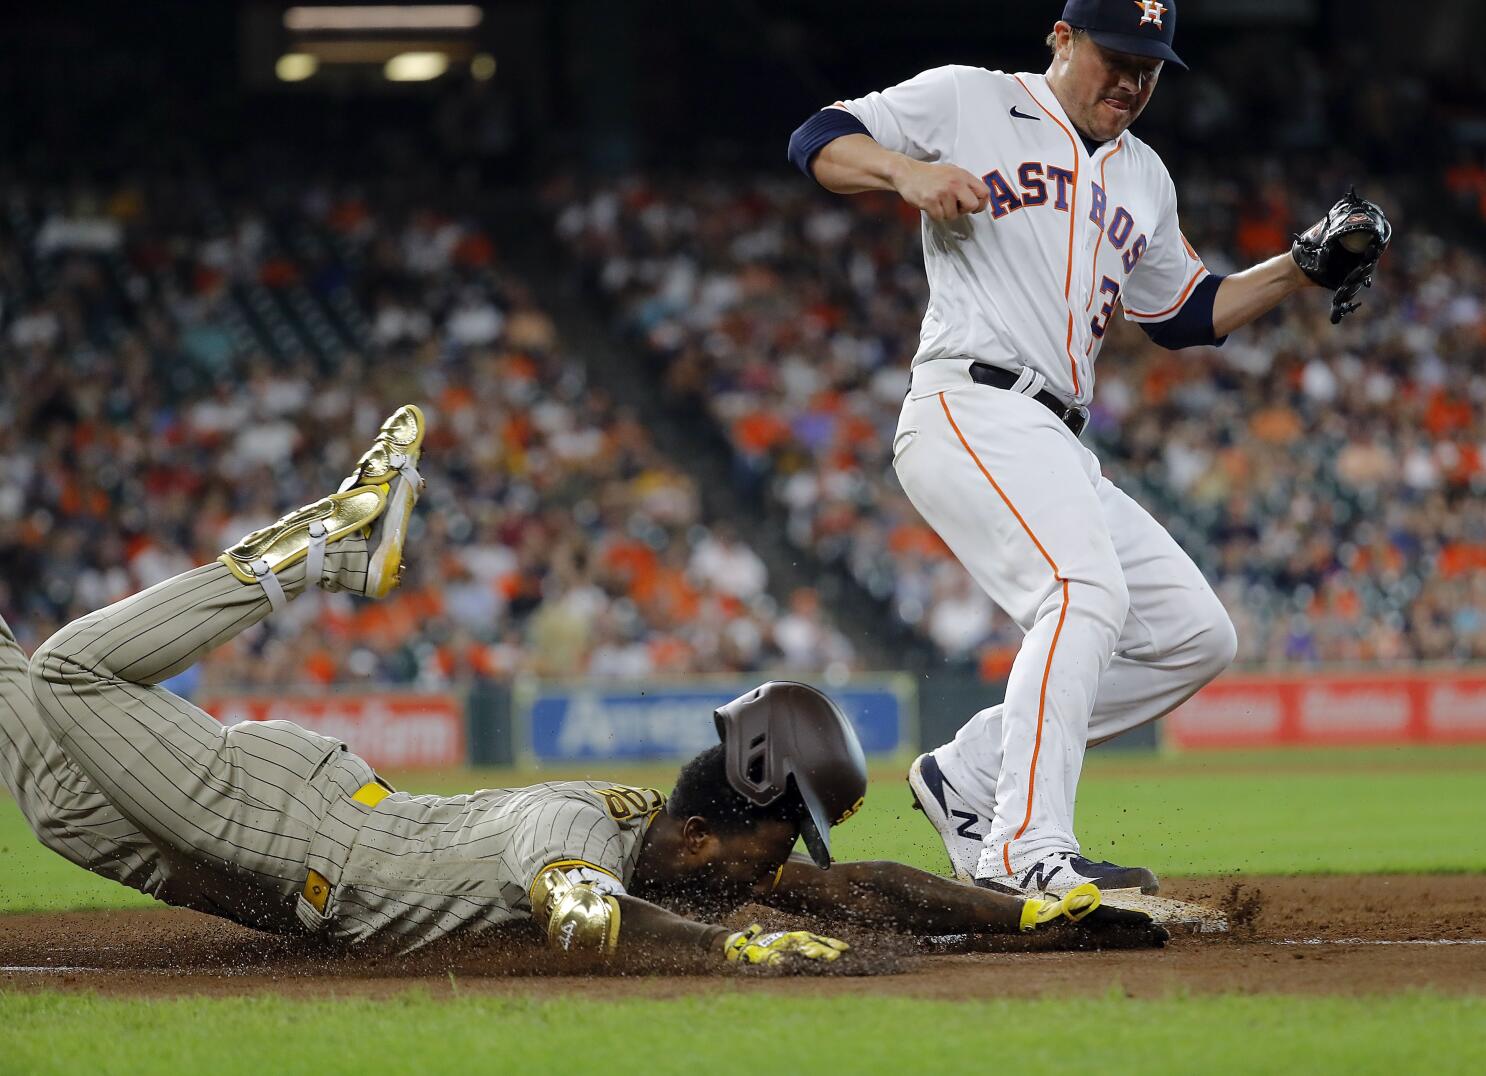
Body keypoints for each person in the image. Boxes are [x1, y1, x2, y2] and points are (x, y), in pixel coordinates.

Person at [1, 405, 1163, 963]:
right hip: (273, 822)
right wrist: (727, 956)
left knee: (33, 745)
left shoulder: (667, 844)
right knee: (68, 670)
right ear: (714, 834)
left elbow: (860, 886)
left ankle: (327, 549)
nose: (787, 872)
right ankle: (320, 547)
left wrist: (1027, 914)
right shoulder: (580, 832)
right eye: (781, 842)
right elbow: (581, 912)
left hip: (237, 834)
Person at [787, 0, 1390, 894]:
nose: (1132, 79)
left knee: (1195, 635)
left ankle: (972, 775)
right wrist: (901, 174)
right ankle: (1023, 852)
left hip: (1060, 434)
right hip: (971, 399)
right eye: (1116, 56)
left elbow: (1185, 314)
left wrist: (1298, 268)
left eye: (1149, 66)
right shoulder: (973, 99)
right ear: (1062, 40)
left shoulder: (1145, 174)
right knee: (1082, 591)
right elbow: (818, 137)